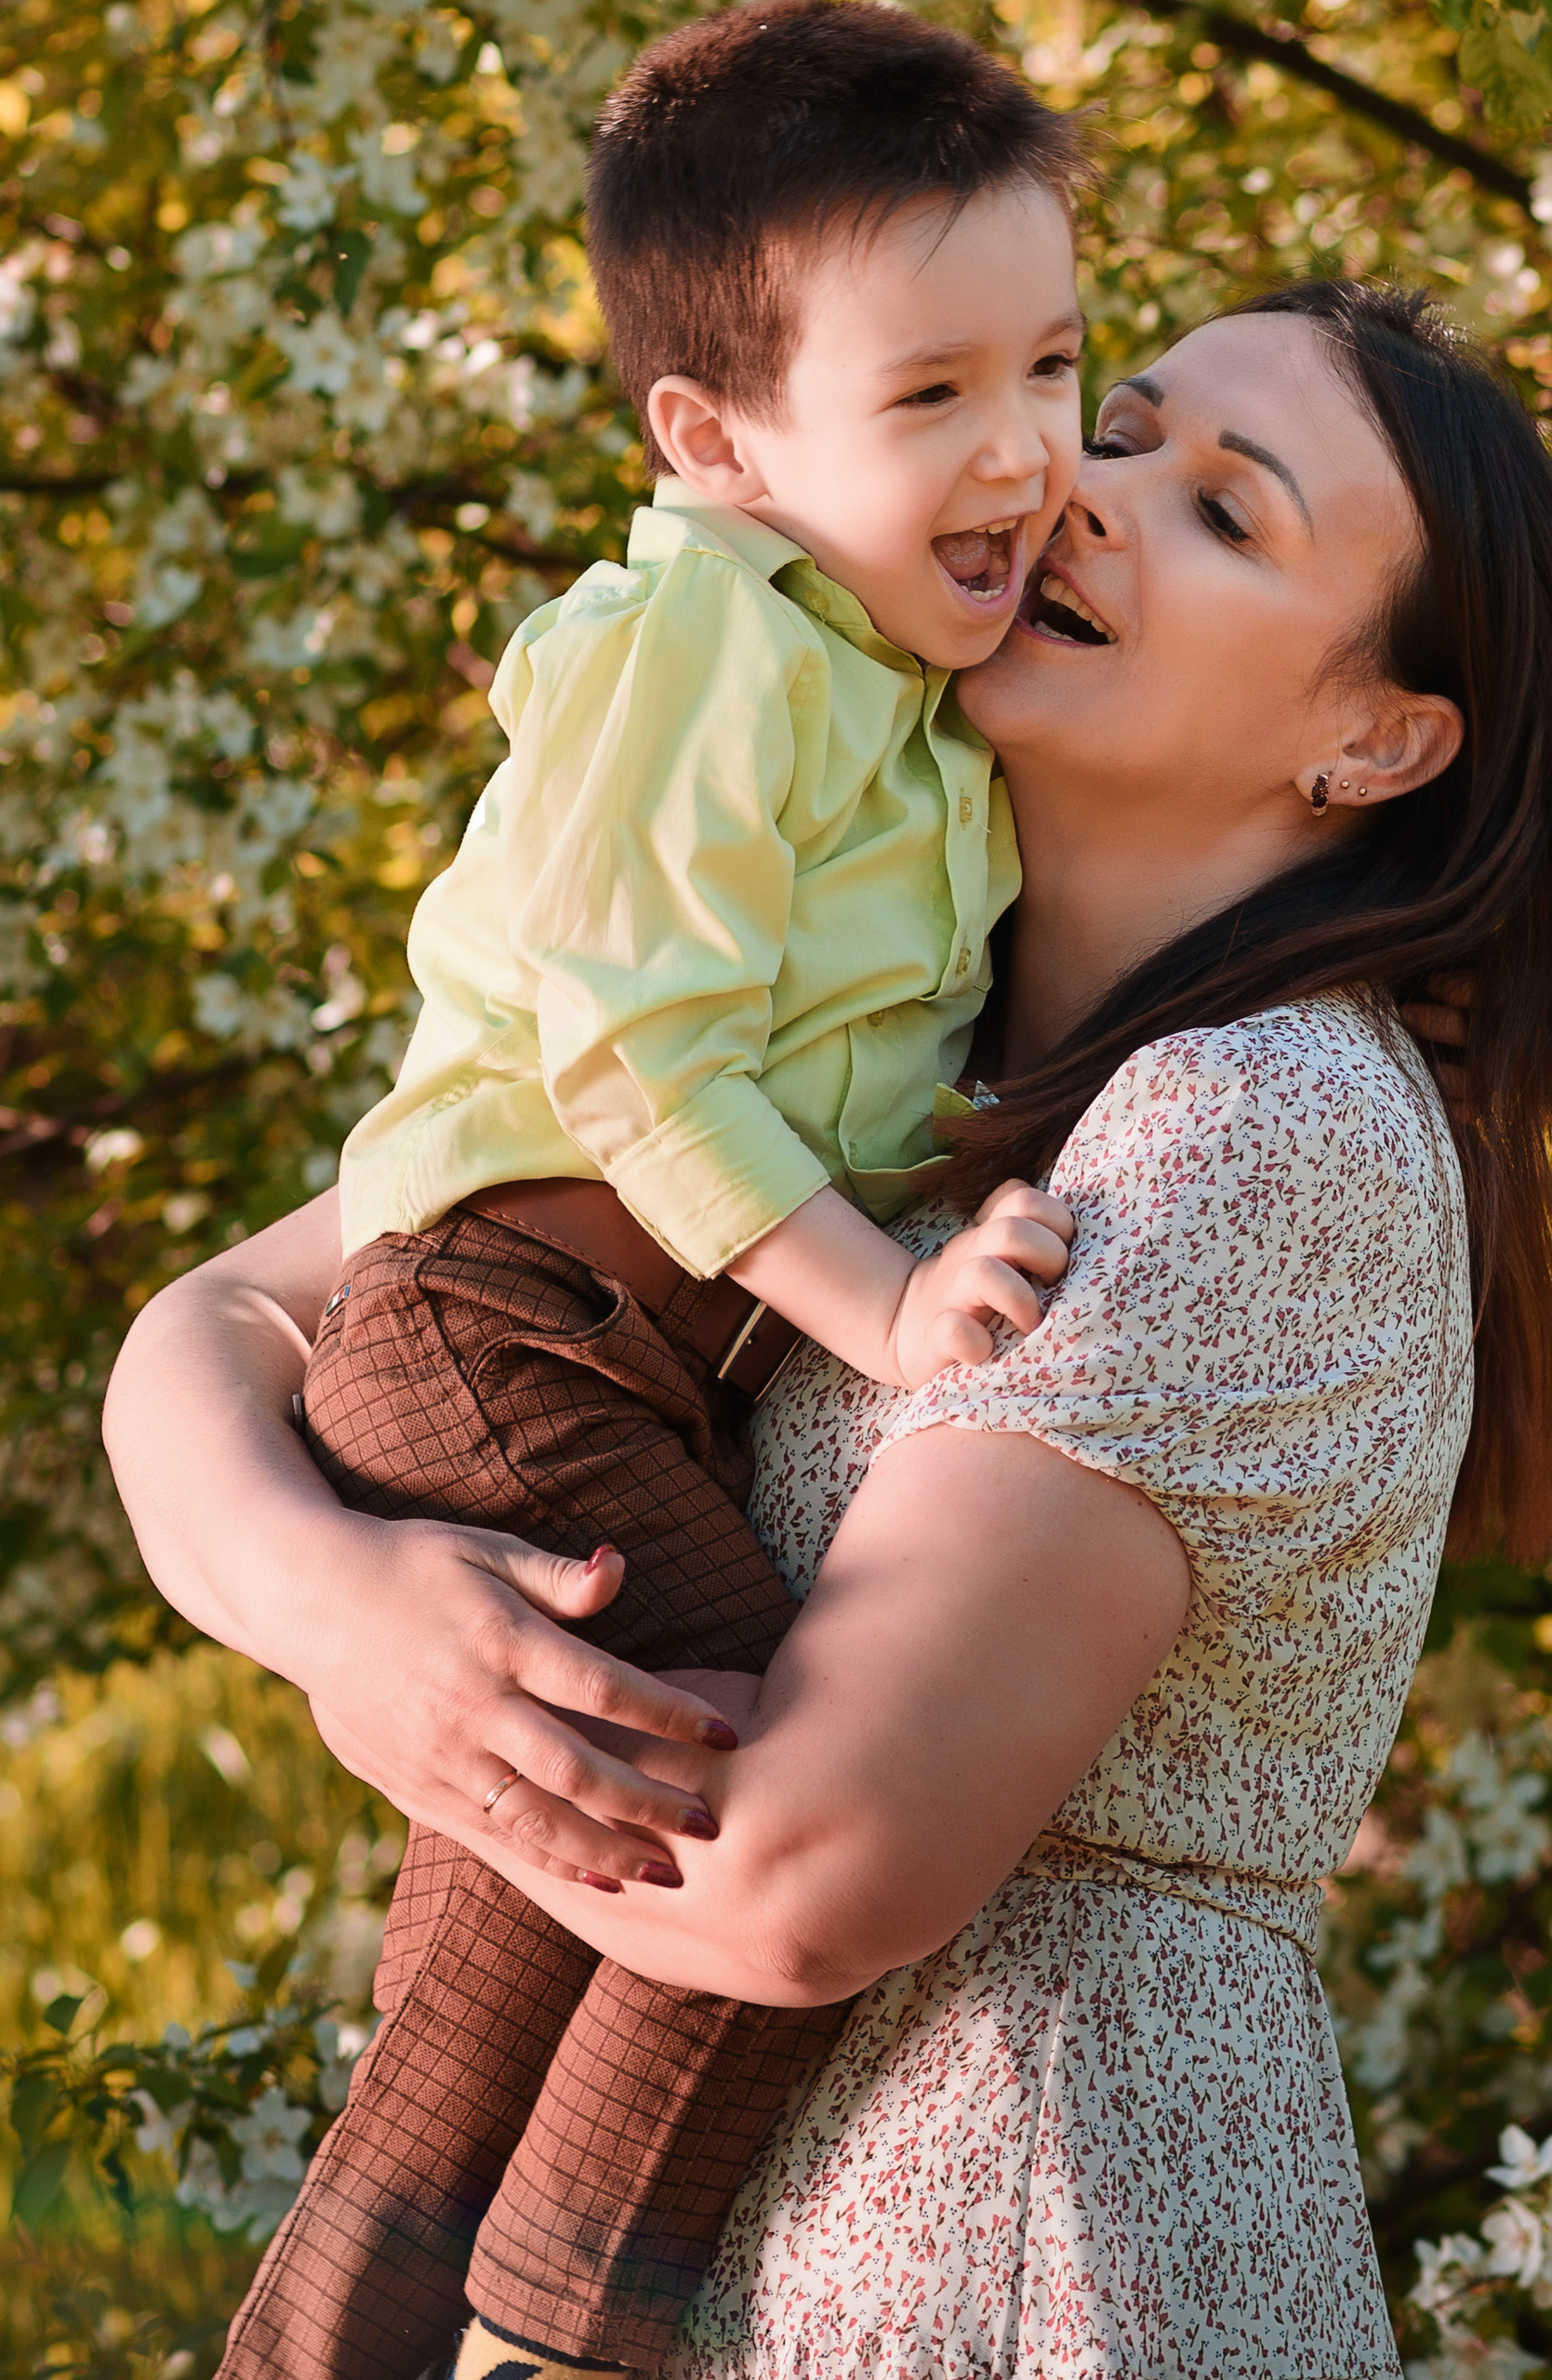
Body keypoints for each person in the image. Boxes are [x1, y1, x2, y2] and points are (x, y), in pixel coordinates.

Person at [106, 281, 1552, 2376]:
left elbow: (794, 1866)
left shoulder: (1256, 1120)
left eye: (1226, 510)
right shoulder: (870, 1059)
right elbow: (223, 1315)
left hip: (1007, 2241)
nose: (1092, 495)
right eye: (1119, 428)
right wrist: (349, 1609)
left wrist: (395, 1707)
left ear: (1375, 738)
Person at [232, 7, 1094, 2373]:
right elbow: (633, 1048)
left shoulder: (910, 700)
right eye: (927, 395)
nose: (1023, 445)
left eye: (1053, 360)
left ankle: (410, 2333)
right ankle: (549, 2333)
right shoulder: (698, 638)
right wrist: (891, 1308)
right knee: (723, 1753)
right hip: (505, 1313)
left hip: (602, 1349)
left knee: (513, 1920)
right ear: (714, 445)